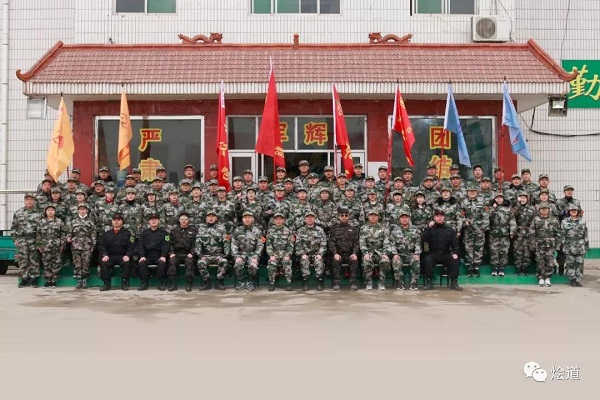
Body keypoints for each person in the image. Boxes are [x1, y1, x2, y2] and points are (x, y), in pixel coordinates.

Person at [420, 210, 462, 291]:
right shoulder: (429, 229)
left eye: (441, 216)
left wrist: (455, 253)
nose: (439, 218)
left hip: (445, 254)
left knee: (455, 259)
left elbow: (455, 244)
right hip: (433, 254)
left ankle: (454, 283)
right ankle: (429, 282)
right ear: (434, 218)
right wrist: (428, 228)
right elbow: (424, 241)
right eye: (437, 216)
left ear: (444, 218)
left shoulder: (449, 230)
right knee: (427, 259)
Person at [97, 213, 134, 291]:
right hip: (110, 256)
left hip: (122, 256)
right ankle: (106, 283)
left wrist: (127, 255)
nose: (116, 222)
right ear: (112, 222)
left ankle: (124, 283)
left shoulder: (127, 233)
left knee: (126, 262)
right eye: (114, 220)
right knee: (104, 262)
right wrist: (105, 254)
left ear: (122, 222)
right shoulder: (107, 234)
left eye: (118, 220)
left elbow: (131, 246)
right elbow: (102, 245)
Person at [194, 210, 230, 290]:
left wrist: (226, 254)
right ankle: (207, 282)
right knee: (200, 262)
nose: (211, 218)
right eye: (209, 216)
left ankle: (218, 282)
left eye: (213, 216)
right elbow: (198, 242)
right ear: (206, 218)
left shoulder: (222, 228)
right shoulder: (201, 228)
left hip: (218, 254)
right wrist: (200, 254)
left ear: (216, 218)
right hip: (205, 255)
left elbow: (226, 241)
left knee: (224, 261)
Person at [13, 193, 43, 288]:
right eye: (27, 199)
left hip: (34, 239)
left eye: (31, 199)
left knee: (34, 260)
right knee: (23, 260)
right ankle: (24, 279)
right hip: (22, 240)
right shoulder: (18, 213)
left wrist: (40, 241)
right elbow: (14, 228)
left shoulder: (40, 213)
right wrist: (15, 239)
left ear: (34, 201)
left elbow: (42, 228)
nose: (29, 201)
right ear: (24, 201)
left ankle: (33, 279)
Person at [530, 202, 562, 287]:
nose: (544, 210)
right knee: (540, 261)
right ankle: (541, 278)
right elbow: (532, 233)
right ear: (539, 210)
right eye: (542, 209)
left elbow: (558, 233)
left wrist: (557, 245)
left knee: (550, 262)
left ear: (549, 210)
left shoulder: (554, 220)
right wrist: (532, 244)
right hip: (539, 244)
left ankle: (548, 278)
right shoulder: (536, 219)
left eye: (546, 209)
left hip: (550, 245)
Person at [460, 184, 489, 277]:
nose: (472, 192)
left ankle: (476, 266)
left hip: (479, 229)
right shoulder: (463, 202)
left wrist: (484, 227)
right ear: (467, 192)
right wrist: (464, 222)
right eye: (470, 191)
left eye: (474, 191)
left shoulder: (482, 202)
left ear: (477, 192)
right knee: (468, 248)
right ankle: (469, 266)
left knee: (479, 248)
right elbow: (460, 215)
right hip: (468, 229)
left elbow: (486, 215)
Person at [231, 211, 264, 291]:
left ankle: (250, 281)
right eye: (245, 218)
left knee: (253, 265)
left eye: (249, 218)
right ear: (242, 219)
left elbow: (260, 245)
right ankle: (241, 281)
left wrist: (256, 256)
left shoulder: (257, 231)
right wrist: (237, 256)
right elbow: (233, 245)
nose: (247, 219)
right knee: (238, 264)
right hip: (241, 254)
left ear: (252, 219)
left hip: (252, 254)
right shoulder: (237, 230)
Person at [328, 208, 360, 291]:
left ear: (348, 216)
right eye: (342, 215)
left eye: (346, 215)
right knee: (335, 260)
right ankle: (336, 284)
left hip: (350, 254)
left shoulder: (354, 229)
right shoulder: (334, 229)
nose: (344, 217)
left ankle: (353, 283)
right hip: (339, 254)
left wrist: (354, 253)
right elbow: (331, 243)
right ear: (339, 217)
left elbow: (356, 243)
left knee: (354, 260)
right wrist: (335, 253)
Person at [389, 211, 422, 290]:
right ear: (399, 219)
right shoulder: (394, 231)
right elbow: (392, 244)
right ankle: (400, 283)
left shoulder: (415, 230)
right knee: (395, 261)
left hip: (411, 254)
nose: (404, 219)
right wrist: (395, 254)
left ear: (409, 219)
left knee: (416, 260)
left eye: (406, 218)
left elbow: (418, 243)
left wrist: (417, 253)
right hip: (399, 255)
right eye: (402, 218)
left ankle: (414, 283)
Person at [137, 213, 170, 291]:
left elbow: (166, 245)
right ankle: (144, 283)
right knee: (141, 263)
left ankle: (161, 282)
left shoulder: (164, 233)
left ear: (159, 221)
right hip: (147, 255)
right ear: (149, 222)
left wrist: (163, 255)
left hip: (159, 255)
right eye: (152, 220)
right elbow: (140, 245)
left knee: (162, 263)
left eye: (155, 220)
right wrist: (142, 256)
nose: (153, 221)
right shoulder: (144, 233)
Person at [36, 204, 68, 287]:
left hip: (56, 245)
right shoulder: (41, 222)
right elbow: (38, 234)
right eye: (48, 210)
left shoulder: (59, 221)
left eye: (52, 210)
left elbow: (63, 234)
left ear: (55, 211)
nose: (50, 212)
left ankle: (54, 280)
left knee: (56, 262)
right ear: (46, 212)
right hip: (45, 245)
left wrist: (62, 245)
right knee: (46, 262)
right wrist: (39, 245)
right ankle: (47, 280)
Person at [295, 211, 327, 291]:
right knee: (304, 261)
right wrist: (302, 254)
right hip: (305, 254)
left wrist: (320, 254)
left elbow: (323, 244)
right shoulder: (300, 230)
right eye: (308, 217)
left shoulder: (320, 230)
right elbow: (298, 244)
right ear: (305, 219)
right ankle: (305, 282)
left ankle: (319, 282)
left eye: (311, 217)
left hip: (316, 254)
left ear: (314, 219)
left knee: (319, 262)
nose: (309, 219)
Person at [67, 204, 97, 289]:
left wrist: (93, 245)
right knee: (77, 262)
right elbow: (69, 232)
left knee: (86, 262)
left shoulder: (90, 222)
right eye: (80, 209)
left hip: (87, 244)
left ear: (86, 210)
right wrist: (68, 238)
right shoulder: (73, 221)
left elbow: (93, 234)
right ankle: (79, 279)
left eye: (84, 209)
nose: (82, 211)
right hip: (75, 244)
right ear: (78, 211)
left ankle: (85, 280)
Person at [359, 210, 391, 291]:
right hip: (368, 253)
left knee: (385, 261)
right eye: (371, 215)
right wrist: (365, 253)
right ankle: (369, 282)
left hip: (380, 253)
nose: (373, 217)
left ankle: (381, 283)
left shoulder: (383, 228)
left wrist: (385, 253)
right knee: (367, 262)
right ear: (368, 217)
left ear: (378, 217)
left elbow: (386, 242)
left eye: (375, 215)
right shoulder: (363, 228)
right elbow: (362, 242)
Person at [488, 192, 516, 276]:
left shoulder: (508, 208)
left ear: (503, 199)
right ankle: (494, 267)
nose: (499, 199)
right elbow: (487, 217)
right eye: (497, 198)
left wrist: (512, 231)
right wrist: (493, 208)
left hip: (505, 233)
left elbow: (512, 220)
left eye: (500, 198)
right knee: (494, 250)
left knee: (504, 250)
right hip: (494, 233)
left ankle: (502, 267)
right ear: (494, 199)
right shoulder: (491, 207)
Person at [169, 212, 198, 292]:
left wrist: (192, 253)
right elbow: (170, 243)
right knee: (172, 261)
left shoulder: (194, 231)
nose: (184, 221)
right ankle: (173, 284)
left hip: (188, 254)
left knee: (189, 262)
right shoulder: (173, 231)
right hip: (177, 253)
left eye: (185, 219)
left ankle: (189, 284)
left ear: (188, 220)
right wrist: (171, 253)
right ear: (179, 220)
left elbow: (196, 244)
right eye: (182, 219)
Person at [561, 204, 589, 287]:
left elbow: (585, 235)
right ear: (569, 212)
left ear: (578, 212)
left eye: (575, 210)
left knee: (579, 264)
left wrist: (586, 245)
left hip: (580, 246)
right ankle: (572, 279)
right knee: (570, 263)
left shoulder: (582, 222)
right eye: (572, 210)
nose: (573, 211)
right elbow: (562, 235)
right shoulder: (564, 222)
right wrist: (563, 246)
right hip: (569, 245)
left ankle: (578, 280)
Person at [265, 213, 294, 291]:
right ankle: (271, 283)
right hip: (274, 254)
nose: (278, 221)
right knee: (272, 263)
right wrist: (271, 255)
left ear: (283, 220)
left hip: (285, 253)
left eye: (280, 219)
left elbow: (290, 245)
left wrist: (288, 255)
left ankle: (289, 283)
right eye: (277, 219)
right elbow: (268, 245)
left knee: (287, 262)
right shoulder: (270, 231)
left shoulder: (288, 231)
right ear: (274, 220)